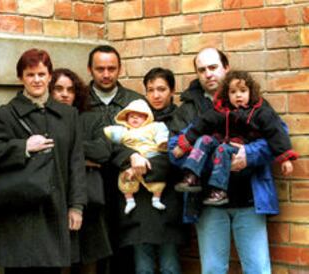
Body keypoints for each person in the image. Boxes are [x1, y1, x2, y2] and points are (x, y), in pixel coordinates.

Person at [169, 47, 284, 273]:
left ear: (226, 68)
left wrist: (248, 155)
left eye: (213, 67)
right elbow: (174, 150)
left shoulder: (253, 102)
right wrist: (215, 160)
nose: (208, 74)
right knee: (213, 270)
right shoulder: (188, 110)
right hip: (208, 205)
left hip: (249, 201)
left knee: (258, 269)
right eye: (202, 70)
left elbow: (278, 138)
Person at [0, 48, 86, 274]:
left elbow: (76, 163)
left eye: (41, 74)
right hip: (20, 212)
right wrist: (23, 147)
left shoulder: (68, 115)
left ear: (49, 76)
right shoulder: (6, 114)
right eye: (30, 74)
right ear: (21, 78)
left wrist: (76, 206)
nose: (36, 80)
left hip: (55, 210)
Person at [172, 70, 298, 205]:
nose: (238, 95)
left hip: (238, 148)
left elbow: (276, 133)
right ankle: (192, 176)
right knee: (204, 140)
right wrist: (183, 144)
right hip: (220, 141)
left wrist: (285, 159)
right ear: (227, 94)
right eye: (233, 92)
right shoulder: (220, 111)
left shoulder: (261, 112)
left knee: (223, 149)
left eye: (243, 91)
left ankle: (219, 190)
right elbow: (201, 124)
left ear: (251, 92)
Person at [118, 67, 186, 274]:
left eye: (161, 89)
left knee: (169, 265)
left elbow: (176, 156)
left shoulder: (180, 118)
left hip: (169, 201)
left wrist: (140, 168)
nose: (156, 95)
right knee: (143, 266)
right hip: (139, 204)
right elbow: (117, 146)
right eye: (150, 90)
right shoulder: (134, 118)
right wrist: (129, 157)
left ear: (172, 91)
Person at [86, 45, 145, 274]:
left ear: (120, 69)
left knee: (125, 252)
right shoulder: (80, 101)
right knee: (96, 254)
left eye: (112, 68)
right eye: (100, 68)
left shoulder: (135, 103)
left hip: (128, 187)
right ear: (90, 69)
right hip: (92, 186)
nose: (106, 74)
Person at [49, 68, 112, 273]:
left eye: (70, 89)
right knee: (62, 261)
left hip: (90, 200)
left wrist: (69, 149)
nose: (64, 94)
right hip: (57, 201)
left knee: (89, 261)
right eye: (58, 89)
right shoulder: (44, 119)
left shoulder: (91, 119)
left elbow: (103, 152)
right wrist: (83, 159)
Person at [104, 99, 169, 214]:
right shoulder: (124, 132)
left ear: (146, 118)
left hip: (151, 156)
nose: (134, 118)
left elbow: (162, 132)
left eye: (139, 116)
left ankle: (156, 198)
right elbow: (108, 132)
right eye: (131, 116)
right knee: (125, 179)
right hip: (130, 160)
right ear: (126, 119)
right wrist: (104, 131)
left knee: (157, 181)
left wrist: (162, 142)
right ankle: (129, 200)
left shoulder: (152, 127)